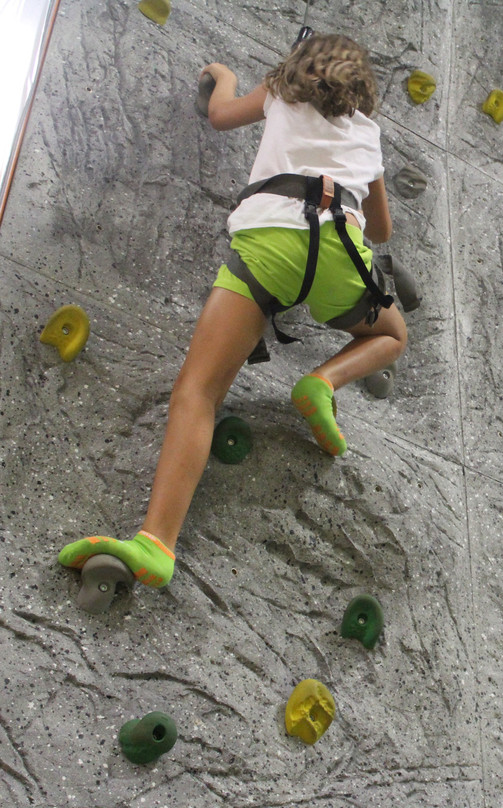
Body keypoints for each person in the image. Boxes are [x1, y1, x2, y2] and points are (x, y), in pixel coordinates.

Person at [58, 34, 407, 590]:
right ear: (363, 88)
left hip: (269, 241)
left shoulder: (278, 91)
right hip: (342, 247)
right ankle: (321, 382)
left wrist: (220, 74)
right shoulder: (368, 131)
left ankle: (156, 544)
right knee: (391, 333)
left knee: (198, 392)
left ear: (299, 67)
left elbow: (220, 114)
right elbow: (384, 230)